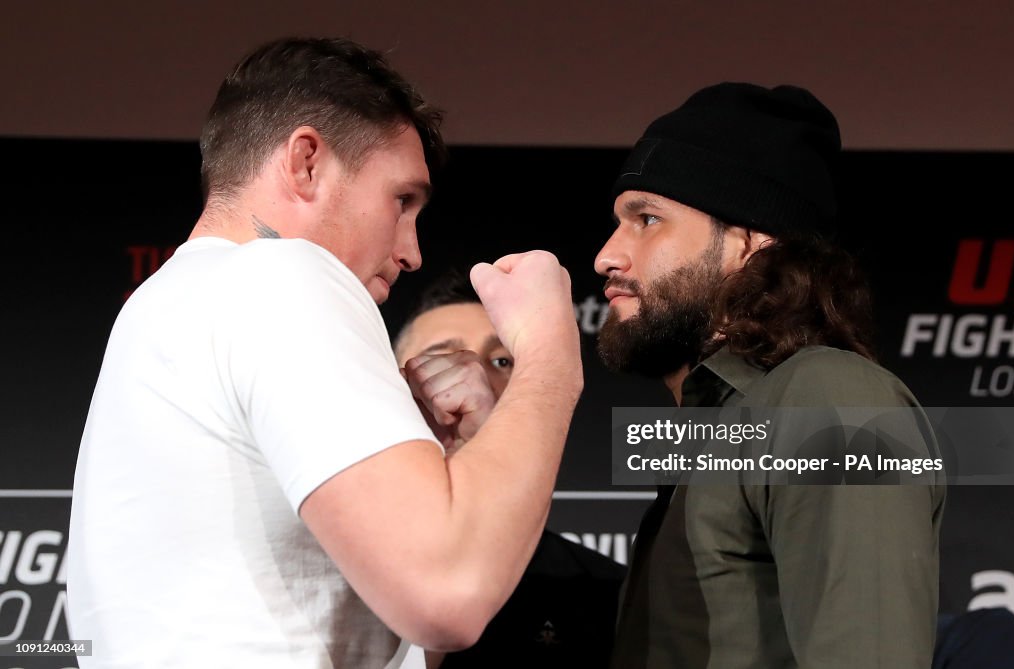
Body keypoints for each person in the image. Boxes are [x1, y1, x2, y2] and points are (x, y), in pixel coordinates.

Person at [67, 37, 583, 669]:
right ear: (306, 162)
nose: (412, 251)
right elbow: (448, 595)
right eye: (401, 201)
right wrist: (551, 359)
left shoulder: (160, 306)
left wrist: (437, 472)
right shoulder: (282, 275)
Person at [593, 82, 945, 667]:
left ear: (751, 244)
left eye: (647, 219)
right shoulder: (721, 425)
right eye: (618, 222)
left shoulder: (831, 400)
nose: (608, 254)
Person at [393, 270, 626, 668]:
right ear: (390, 384)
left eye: (502, 360)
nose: (474, 379)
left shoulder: (610, 593)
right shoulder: (326, 565)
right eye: (438, 361)